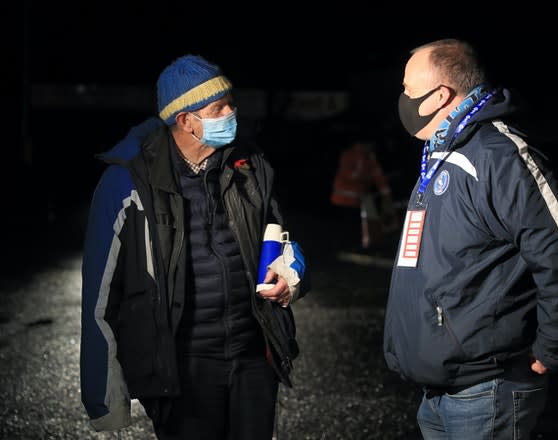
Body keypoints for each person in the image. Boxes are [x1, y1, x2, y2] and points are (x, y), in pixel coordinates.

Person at [80, 54, 309, 439]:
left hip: (253, 359)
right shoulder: (127, 183)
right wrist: (103, 397)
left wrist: (291, 274)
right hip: (182, 368)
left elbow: (284, 239)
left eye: (230, 103)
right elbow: (99, 295)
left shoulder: (250, 167)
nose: (231, 113)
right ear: (186, 121)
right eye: (218, 107)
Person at [382, 39, 558, 439]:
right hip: (441, 387)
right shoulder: (443, 151)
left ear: (440, 96)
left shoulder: (498, 154)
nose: (402, 99)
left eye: (409, 90)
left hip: (486, 389)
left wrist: (553, 345)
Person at [329, 136, 397, 251]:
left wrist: (386, 195)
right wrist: (364, 168)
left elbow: (378, 176)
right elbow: (350, 175)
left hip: (358, 200)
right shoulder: (350, 155)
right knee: (343, 227)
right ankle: (342, 248)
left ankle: (358, 246)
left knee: (357, 226)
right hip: (342, 200)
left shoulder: (370, 158)